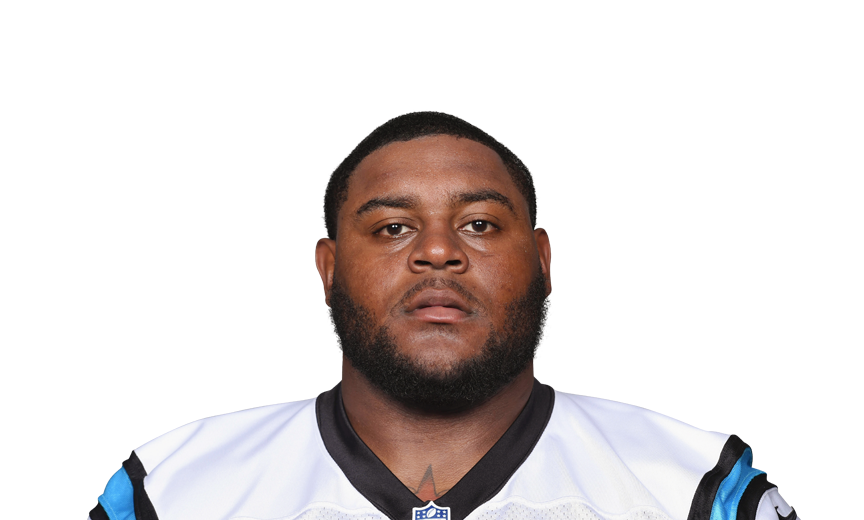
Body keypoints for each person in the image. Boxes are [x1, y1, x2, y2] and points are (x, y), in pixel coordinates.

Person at [89, 111, 794, 520]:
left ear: (544, 258)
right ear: (326, 268)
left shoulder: (701, 487)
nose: (436, 251)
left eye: (479, 224)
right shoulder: (170, 491)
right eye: (392, 228)